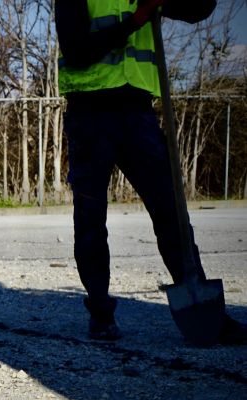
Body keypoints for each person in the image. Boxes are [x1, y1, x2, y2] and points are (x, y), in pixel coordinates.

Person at [56, 0, 246, 343]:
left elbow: (197, 9)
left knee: (171, 210)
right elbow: (76, 49)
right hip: (89, 111)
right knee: (90, 217)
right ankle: (100, 315)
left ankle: (202, 303)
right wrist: (136, 20)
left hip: (137, 111)